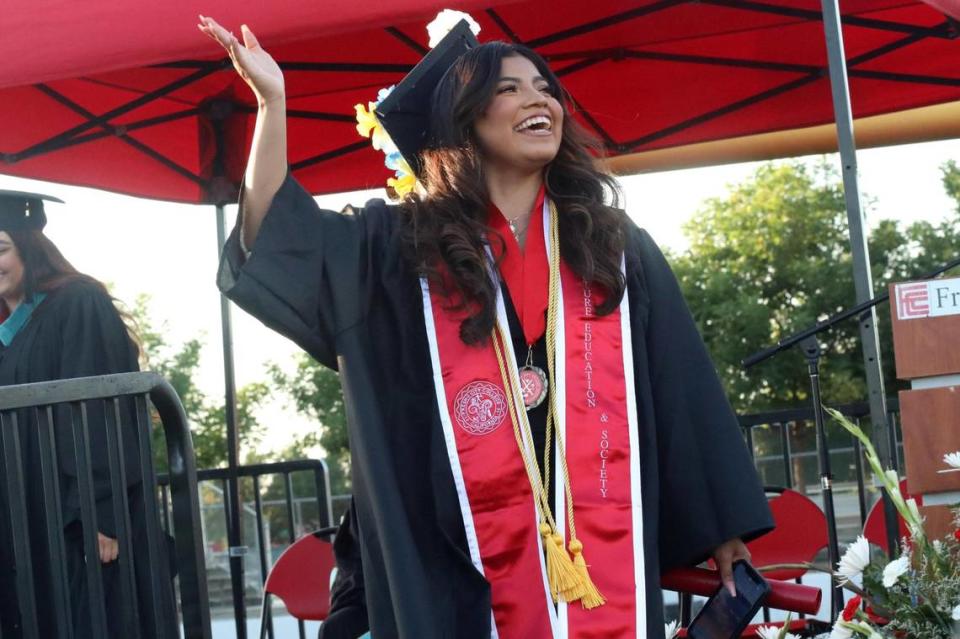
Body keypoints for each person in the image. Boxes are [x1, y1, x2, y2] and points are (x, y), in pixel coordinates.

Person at [201, 12, 773, 639]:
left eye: (545, 88)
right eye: (510, 89)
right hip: (451, 563)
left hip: (597, 555)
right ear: (465, 118)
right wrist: (273, 103)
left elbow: (680, 387)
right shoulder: (398, 250)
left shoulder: (612, 248)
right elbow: (276, 242)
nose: (539, 99)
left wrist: (723, 530)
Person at [0, 191, 177, 639]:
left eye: (0, 248)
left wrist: (102, 514)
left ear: (28, 246)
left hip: (81, 526)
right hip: (29, 524)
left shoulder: (77, 303)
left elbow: (100, 412)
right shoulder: (9, 326)